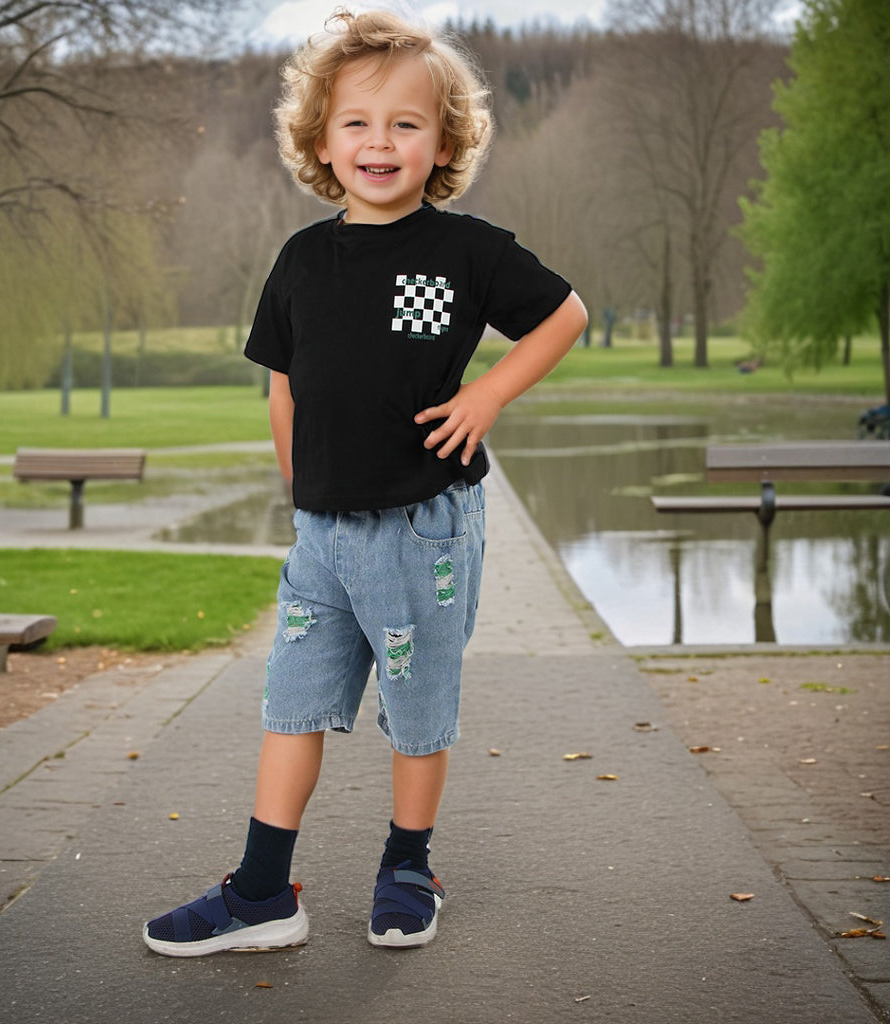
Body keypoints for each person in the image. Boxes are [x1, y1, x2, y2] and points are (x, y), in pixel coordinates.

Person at [142, 7, 588, 957]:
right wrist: (302, 490)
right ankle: (263, 892)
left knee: (418, 709)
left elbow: (565, 314)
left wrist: (490, 396)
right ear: (320, 140)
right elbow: (284, 389)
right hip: (322, 538)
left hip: (422, 529)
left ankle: (408, 867)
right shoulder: (300, 260)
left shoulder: (465, 251)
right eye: (356, 122)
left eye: (405, 124)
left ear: (444, 143)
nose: (379, 142)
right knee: (291, 701)